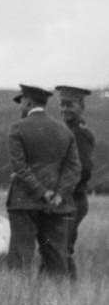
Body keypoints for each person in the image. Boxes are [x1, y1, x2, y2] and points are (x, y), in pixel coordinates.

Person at [6, 85, 80, 278]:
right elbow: (73, 168)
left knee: (20, 257)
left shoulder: (17, 128)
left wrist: (41, 191)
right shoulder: (64, 130)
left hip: (24, 201)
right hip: (56, 204)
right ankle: (59, 299)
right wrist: (59, 194)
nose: (19, 107)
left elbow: (20, 168)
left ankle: (16, 302)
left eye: (21, 102)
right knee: (56, 256)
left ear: (29, 102)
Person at [56, 85, 95, 280]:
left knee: (61, 247)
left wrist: (63, 190)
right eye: (62, 104)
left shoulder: (79, 133)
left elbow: (84, 170)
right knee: (59, 246)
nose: (64, 109)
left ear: (81, 106)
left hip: (73, 199)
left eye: (69, 105)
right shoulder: (69, 130)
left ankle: (66, 293)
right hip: (69, 197)